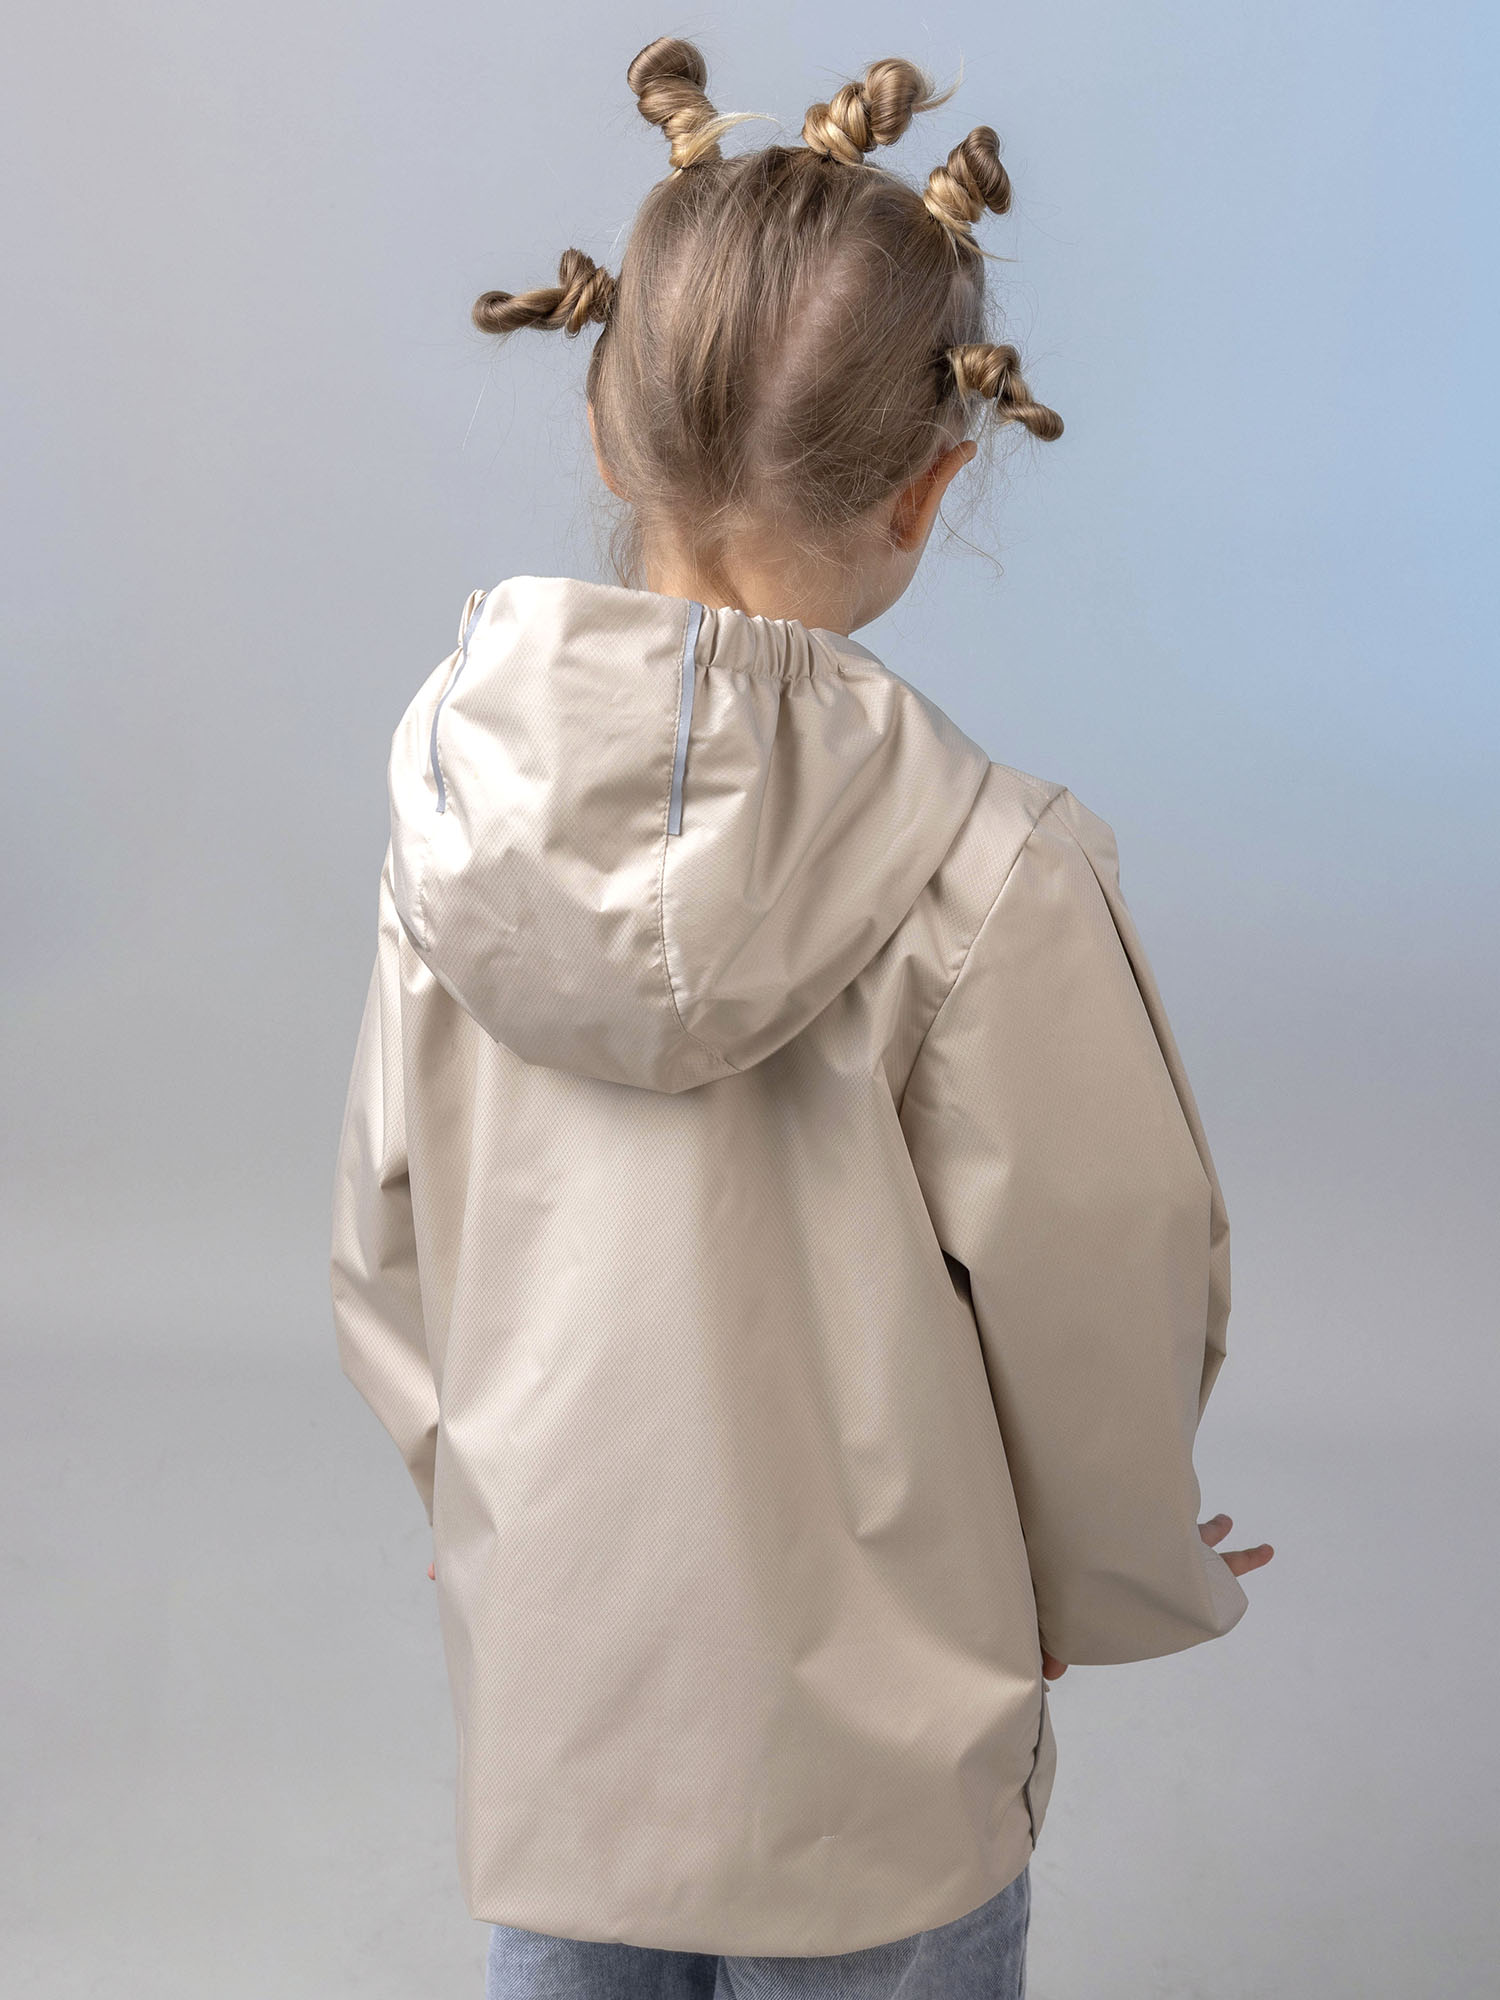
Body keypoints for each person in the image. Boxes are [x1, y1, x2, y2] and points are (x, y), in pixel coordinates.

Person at [329, 36, 1274, 2000]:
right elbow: (1100, 1273)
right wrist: (1107, 1567)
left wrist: (471, 1496)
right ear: (932, 487)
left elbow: (390, 1225)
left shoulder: (450, 805)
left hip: (573, 1700)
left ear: (605, 425)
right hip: (885, 1753)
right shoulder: (990, 868)